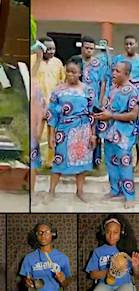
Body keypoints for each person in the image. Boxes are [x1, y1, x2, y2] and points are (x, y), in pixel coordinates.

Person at [43, 58, 96, 204]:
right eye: (68, 71)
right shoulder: (58, 91)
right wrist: (51, 135)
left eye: (74, 72)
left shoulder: (88, 90)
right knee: (59, 161)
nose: (70, 75)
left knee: (82, 163)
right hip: (64, 131)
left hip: (83, 131)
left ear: (80, 73)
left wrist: (93, 134)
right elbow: (52, 115)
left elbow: (91, 113)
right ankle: (51, 191)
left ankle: (80, 191)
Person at [95, 61, 139, 209]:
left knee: (125, 164)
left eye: (118, 71)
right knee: (111, 163)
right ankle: (115, 191)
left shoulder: (133, 91)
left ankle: (129, 196)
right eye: (114, 70)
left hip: (124, 135)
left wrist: (111, 116)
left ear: (126, 74)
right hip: (109, 133)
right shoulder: (113, 89)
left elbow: (133, 115)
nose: (114, 73)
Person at [13, 221, 71, 291]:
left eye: (46, 232)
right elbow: (25, 279)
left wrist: (62, 280)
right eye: (39, 233)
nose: (43, 235)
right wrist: (27, 282)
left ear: (53, 234)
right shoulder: (29, 258)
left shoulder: (62, 257)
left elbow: (66, 283)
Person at [86, 215, 139, 291]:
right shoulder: (98, 251)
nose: (111, 236)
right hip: (104, 285)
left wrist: (135, 266)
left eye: (115, 232)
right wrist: (106, 273)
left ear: (121, 233)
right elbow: (92, 274)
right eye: (108, 232)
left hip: (124, 285)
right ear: (104, 233)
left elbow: (137, 275)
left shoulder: (127, 250)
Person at [73, 36, 108, 168]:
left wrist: (101, 101)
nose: (88, 51)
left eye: (91, 49)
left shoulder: (99, 64)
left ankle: (96, 161)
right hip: (78, 101)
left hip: (94, 102)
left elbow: (103, 82)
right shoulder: (76, 61)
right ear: (81, 48)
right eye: (86, 48)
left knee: (96, 132)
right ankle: (79, 158)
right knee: (79, 130)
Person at [30, 36, 66, 168]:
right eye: (48, 49)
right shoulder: (33, 60)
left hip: (52, 104)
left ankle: (50, 161)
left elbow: (62, 81)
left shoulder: (57, 63)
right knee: (36, 135)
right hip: (37, 104)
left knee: (52, 136)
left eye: (53, 49)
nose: (51, 52)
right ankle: (33, 160)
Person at [111, 35, 139, 169]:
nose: (129, 46)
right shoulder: (118, 59)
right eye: (126, 44)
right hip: (122, 99)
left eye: (131, 44)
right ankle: (125, 159)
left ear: (136, 44)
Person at [31, 44, 48, 206]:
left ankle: (32, 192)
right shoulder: (29, 83)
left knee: (33, 164)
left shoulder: (34, 84)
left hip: (32, 132)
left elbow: (43, 114)